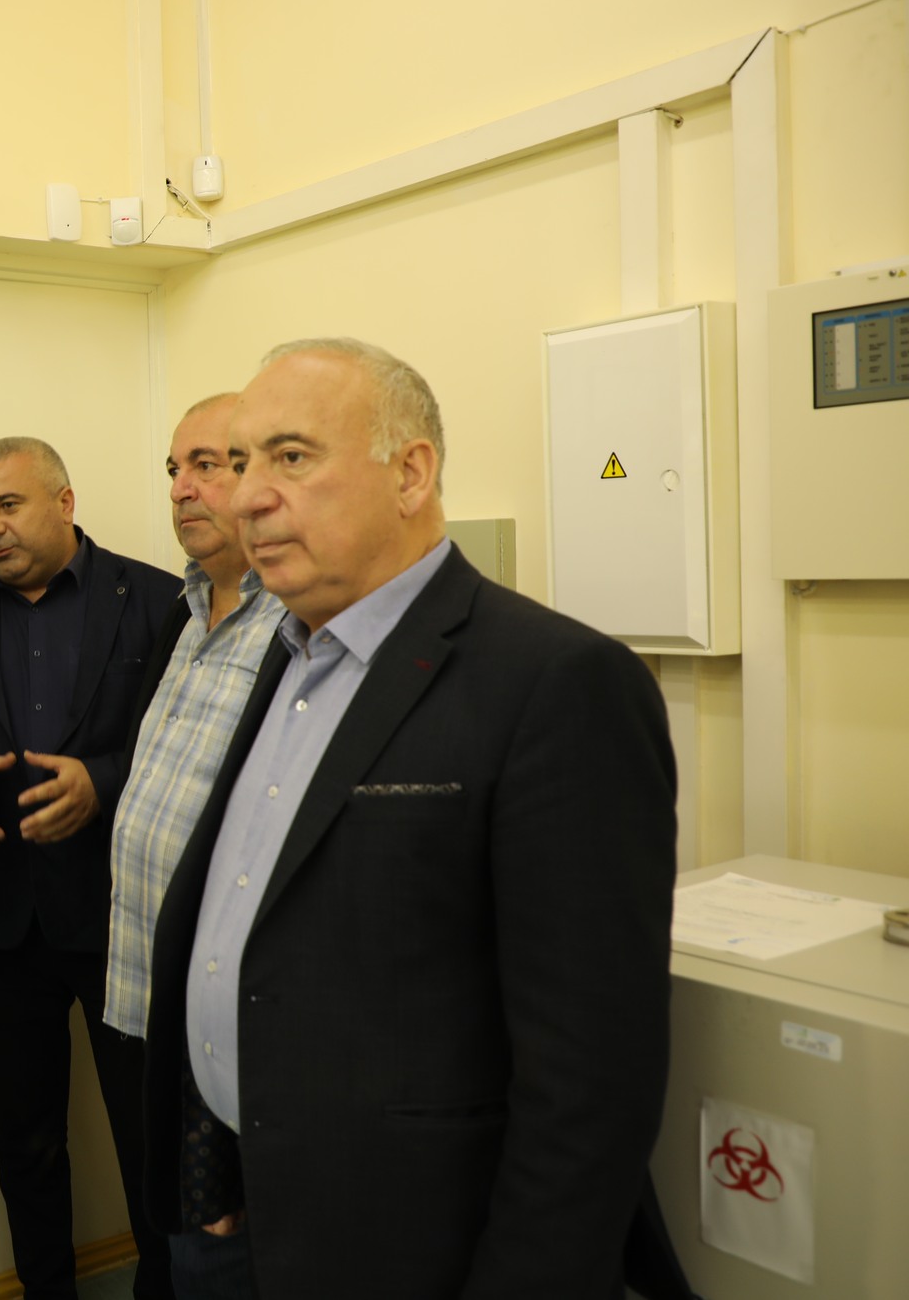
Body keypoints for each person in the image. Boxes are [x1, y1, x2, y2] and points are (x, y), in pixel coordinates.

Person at [141, 339, 687, 1299]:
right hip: (243, 1207)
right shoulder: (288, 655)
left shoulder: (556, 684)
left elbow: (591, 1083)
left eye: (291, 456)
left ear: (411, 472)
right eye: (241, 462)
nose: (247, 496)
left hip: (413, 1248)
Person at [0, 438, 181, 1300]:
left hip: (125, 915)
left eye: (8, 505)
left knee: (149, 1132)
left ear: (64, 502)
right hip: (2, 922)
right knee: (25, 1140)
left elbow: (190, 749)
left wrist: (104, 783)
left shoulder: (157, 601)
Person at [104, 394, 285, 1296]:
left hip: (226, 1009)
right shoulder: (184, 615)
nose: (181, 487)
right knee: (169, 1230)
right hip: (146, 986)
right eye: (174, 469)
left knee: (221, 1242)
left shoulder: (293, 624)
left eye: (206, 464)